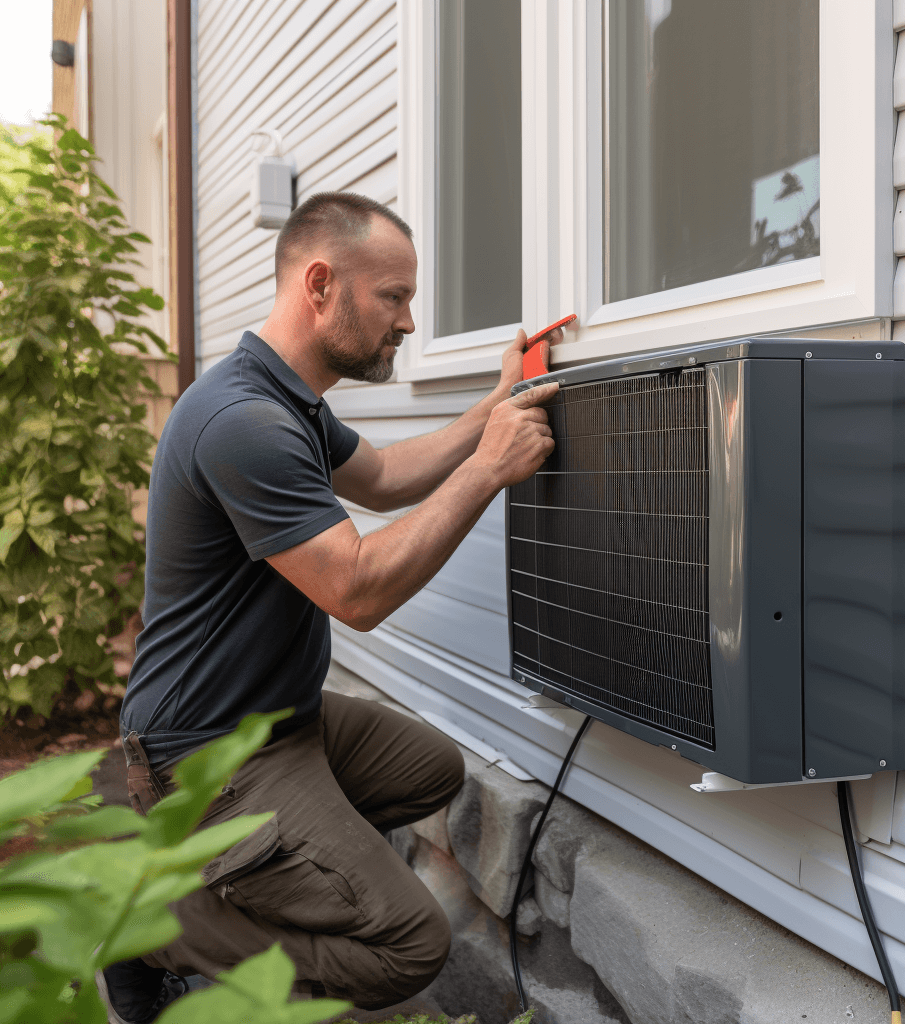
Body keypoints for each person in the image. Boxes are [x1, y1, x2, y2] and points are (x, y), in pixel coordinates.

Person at [105, 191, 560, 1024]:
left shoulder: (289, 402)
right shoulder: (242, 421)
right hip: (202, 754)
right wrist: (488, 470)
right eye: (394, 297)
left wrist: (496, 406)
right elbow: (356, 591)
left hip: (275, 721)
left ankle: (247, 875)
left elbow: (385, 477)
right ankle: (170, 930)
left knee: (432, 771)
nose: (410, 322)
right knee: (411, 945)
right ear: (321, 284)